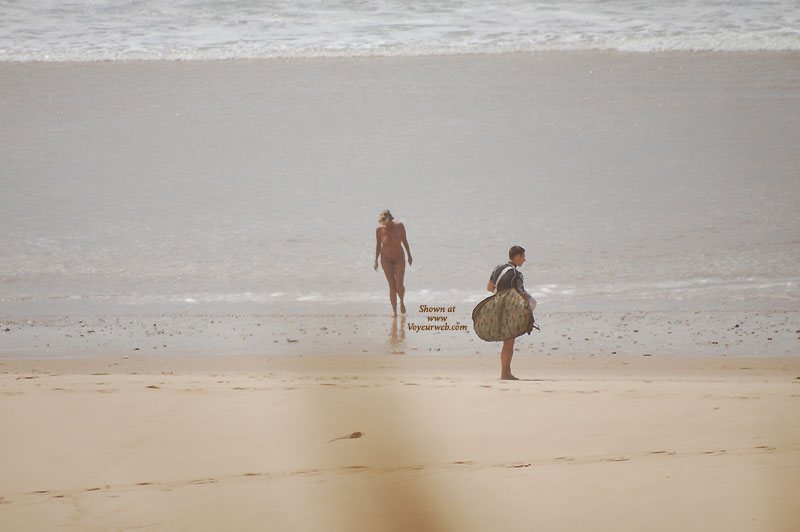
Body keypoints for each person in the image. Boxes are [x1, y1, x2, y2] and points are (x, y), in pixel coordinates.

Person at [486, 245, 537, 380]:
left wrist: (502, 295)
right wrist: (528, 313)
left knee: (507, 341)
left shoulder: (497, 268)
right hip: (510, 310)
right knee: (509, 342)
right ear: (518, 256)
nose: (524, 260)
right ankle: (505, 374)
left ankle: (506, 372)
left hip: (497, 308)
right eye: (523, 257)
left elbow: (490, 288)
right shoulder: (516, 274)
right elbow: (523, 296)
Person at [374, 210, 412, 317]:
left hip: (399, 258)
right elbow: (378, 246)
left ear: (390, 219)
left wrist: (409, 255)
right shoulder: (379, 230)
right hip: (385, 259)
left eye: (386, 222)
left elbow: (405, 241)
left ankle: (402, 302)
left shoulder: (399, 226)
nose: (385, 225)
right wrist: (376, 260)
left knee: (399, 284)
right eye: (382, 223)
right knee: (392, 286)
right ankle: (394, 311)